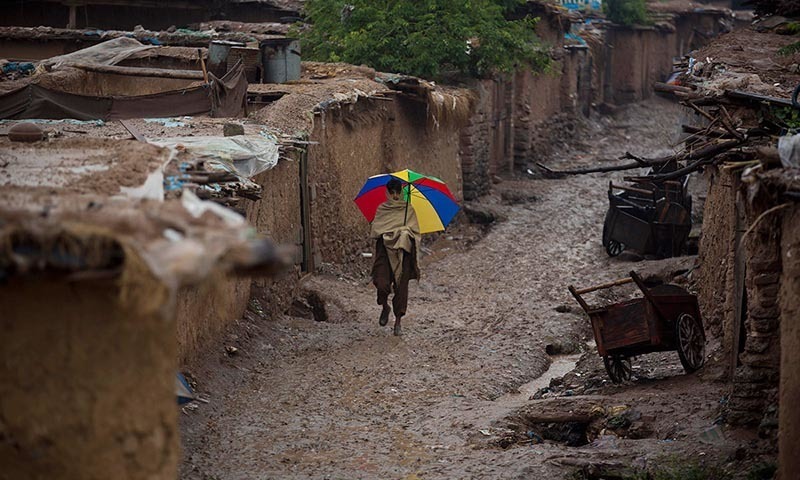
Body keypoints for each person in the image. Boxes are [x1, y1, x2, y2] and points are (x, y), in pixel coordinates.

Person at [370, 178, 421, 336]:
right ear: (387, 193)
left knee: (401, 287)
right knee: (381, 282)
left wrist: (405, 233)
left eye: (398, 192)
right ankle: (385, 306)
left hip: (403, 252)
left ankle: (398, 322)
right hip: (384, 251)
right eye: (392, 192)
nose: (395, 196)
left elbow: (415, 232)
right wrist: (390, 233)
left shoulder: (408, 210)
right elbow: (376, 229)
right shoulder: (382, 209)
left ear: (401, 192)